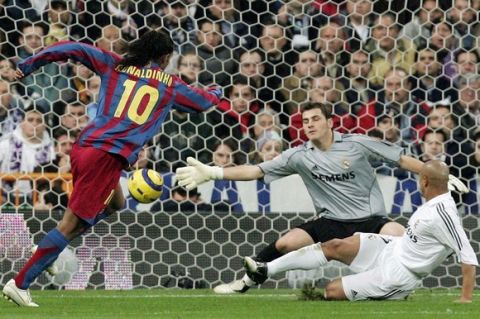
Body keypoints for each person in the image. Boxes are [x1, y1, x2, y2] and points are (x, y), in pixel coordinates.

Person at [2, 29, 221, 307]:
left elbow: (73, 47)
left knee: (116, 202)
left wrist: (28, 65)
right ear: (165, 57)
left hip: (86, 147)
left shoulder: (115, 63)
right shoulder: (168, 84)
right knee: (69, 226)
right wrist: (216, 91)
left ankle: (49, 251)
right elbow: (201, 103)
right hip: (106, 157)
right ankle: (21, 283)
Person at [175, 102, 469, 294]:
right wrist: (214, 173)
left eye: (316, 119)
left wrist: (442, 177)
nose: (310, 124)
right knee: (285, 243)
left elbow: (402, 160)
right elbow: (255, 170)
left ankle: (396, 287)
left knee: (399, 234)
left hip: (369, 220)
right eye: (305, 121)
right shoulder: (299, 156)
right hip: (329, 221)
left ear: (330, 122)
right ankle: (245, 282)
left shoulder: (356, 144)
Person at [244, 160, 477, 303]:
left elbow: (467, 256)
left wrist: (466, 298)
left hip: (399, 275)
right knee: (334, 245)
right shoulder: (439, 200)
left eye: (419, 179)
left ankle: (396, 293)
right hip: (393, 248)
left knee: (331, 291)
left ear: (425, 181)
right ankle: (266, 270)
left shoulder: (444, 213)